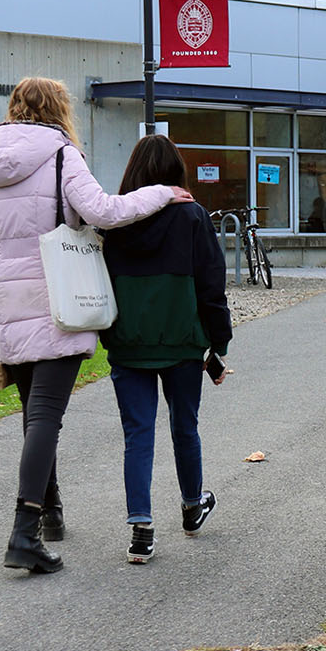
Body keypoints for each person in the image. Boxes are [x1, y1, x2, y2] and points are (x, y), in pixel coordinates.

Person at [0, 77, 191, 574]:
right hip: (59, 303)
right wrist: (161, 193)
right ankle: (23, 533)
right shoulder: (62, 156)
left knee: (33, 415)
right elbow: (103, 212)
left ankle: (52, 513)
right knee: (44, 417)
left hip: (7, 310)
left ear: (14, 108)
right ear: (61, 110)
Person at [100, 136, 233, 565]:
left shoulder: (114, 220)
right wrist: (219, 344)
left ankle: (141, 531)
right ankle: (193, 507)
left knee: (137, 436)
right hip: (182, 342)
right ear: (177, 171)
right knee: (184, 427)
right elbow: (212, 285)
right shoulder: (193, 216)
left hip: (127, 342)